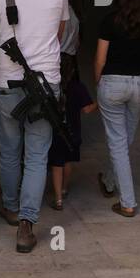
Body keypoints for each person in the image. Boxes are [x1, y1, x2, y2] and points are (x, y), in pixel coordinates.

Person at [0, 0, 69, 252]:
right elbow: (57, 36)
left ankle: (11, 206)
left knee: (9, 152)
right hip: (46, 85)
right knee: (37, 156)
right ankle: (27, 224)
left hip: (7, 83)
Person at [94, 0, 140, 217]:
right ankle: (108, 180)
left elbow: (100, 58)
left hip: (114, 84)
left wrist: (98, 83)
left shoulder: (110, 20)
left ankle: (128, 202)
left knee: (118, 142)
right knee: (124, 139)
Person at [46, 55, 96, 210]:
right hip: (73, 132)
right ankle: (64, 188)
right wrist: (99, 103)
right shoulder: (78, 87)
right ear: (74, 70)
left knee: (56, 165)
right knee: (68, 162)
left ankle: (58, 199)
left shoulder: (51, 87)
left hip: (55, 131)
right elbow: (87, 109)